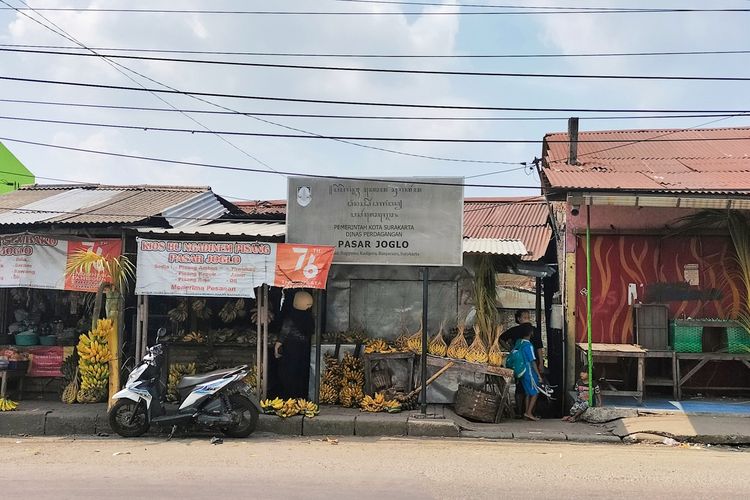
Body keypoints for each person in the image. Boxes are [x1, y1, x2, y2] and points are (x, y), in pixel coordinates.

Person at [274, 290, 314, 399]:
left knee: (288, 374)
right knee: (301, 373)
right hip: (304, 349)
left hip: (291, 350)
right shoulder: (309, 318)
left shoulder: (291, 317)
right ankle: (300, 397)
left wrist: (277, 348)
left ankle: (288, 398)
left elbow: (283, 333)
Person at [509, 323, 541, 421]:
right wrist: (539, 375)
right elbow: (532, 361)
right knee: (535, 392)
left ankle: (526, 413)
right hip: (529, 371)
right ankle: (529, 412)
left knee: (527, 392)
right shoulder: (528, 345)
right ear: (530, 332)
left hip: (520, 371)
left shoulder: (519, 342)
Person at [500, 309, 544, 374]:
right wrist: (510, 349)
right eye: (525, 318)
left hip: (531, 361)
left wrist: (541, 363)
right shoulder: (514, 330)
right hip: (520, 362)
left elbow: (539, 347)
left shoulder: (534, 330)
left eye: (528, 318)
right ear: (519, 319)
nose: (527, 320)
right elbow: (501, 339)